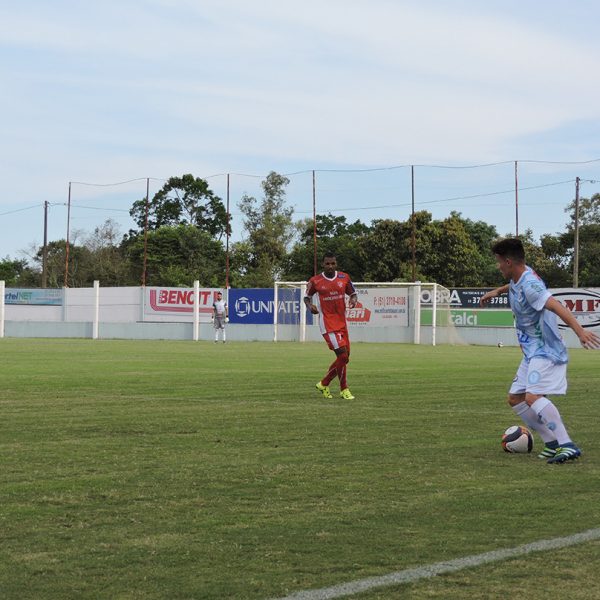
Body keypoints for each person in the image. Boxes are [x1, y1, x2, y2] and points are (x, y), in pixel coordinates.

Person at [480, 238, 600, 464]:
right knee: (516, 399)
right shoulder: (519, 277)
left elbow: (556, 305)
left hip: (546, 350)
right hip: (531, 352)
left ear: (508, 261)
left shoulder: (530, 286)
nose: (498, 267)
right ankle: (552, 443)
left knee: (532, 396)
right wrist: (496, 291)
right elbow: (513, 286)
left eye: (499, 262)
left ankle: (567, 444)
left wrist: (580, 332)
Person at [304, 253, 358, 400]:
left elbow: (353, 293)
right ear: (323, 264)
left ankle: (328, 385)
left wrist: (353, 301)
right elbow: (306, 297)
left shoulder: (344, 278)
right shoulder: (315, 281)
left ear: (336, 264)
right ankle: (340, 387)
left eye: (332, 263)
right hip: (327, 324)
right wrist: (310, 306)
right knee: (343, 356)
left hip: (342, 323)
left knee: (344, 358)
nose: (330, 266)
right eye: (327, 264)